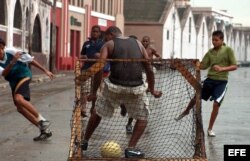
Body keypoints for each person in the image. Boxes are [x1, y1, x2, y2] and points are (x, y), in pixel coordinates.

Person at [79, 26, 162, 158]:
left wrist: (94, 92)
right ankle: (131, 148)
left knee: (97, 112)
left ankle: (84, 141)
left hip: (114, 86)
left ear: (111, 34)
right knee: (143, 118)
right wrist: (152, 90)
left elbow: (99, 68)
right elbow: (149, 69)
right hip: (136, 87)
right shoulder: (139, 44)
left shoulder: (109, 44)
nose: (104, 39)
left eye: (105, 37)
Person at [175, 30, 237, 137]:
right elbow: (203, 66)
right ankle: (186, 111)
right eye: (212, 40)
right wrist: (195, 64)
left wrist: (222, 68)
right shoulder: (210, 52)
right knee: (196, 97)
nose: (214, 42)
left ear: (222, 40)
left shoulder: (228, 50)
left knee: (216, 104)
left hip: (221, 82)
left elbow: (234, 66)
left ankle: (210, 129)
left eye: (216, 40)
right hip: (210, 80)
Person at [0, 38, 55, 141]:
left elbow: (30, 60)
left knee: (18, 98)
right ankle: (44, 130)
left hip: (24, 75)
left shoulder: (12, 51)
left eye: (0, 48)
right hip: (13, 81)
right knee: (20, 108)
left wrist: (45, 71)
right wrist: (12, 62)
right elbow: (4, 73)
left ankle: (42, 120)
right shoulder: (9, 59)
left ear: (2, 48)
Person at [80, 25, 109, 116]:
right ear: (91, 32)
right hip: (86, 69)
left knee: (95, 91)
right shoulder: (86, 43)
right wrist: (83, 57)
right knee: (84, 89)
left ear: (100, 33)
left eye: (97, 31)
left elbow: (107, 56)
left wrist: (99, 55)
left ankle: (93, 107)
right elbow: (81, 55)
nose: (95, 33)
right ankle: (83, 108)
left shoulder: (104, 44)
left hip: (98, 70)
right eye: (93, 31)